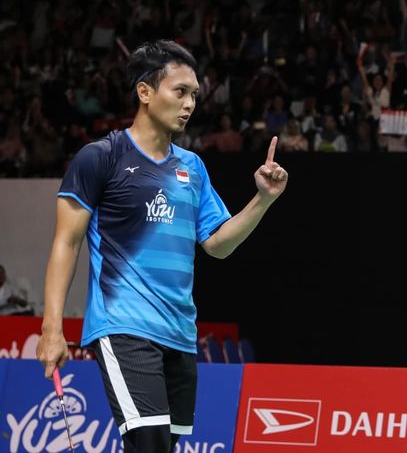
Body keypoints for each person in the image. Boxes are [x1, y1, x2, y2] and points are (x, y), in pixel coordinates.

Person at [36, 40, 288, 453]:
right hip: (124, 327)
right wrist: (52, 329)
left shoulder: (192, 167)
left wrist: (263, 199)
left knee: (160, 448)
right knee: (149, 444)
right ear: (145, 92)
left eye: (194, 95)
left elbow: (218, 245)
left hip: (180, 333)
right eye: (180, 91)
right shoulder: (101, 158)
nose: (190, 104)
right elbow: (66, 242)